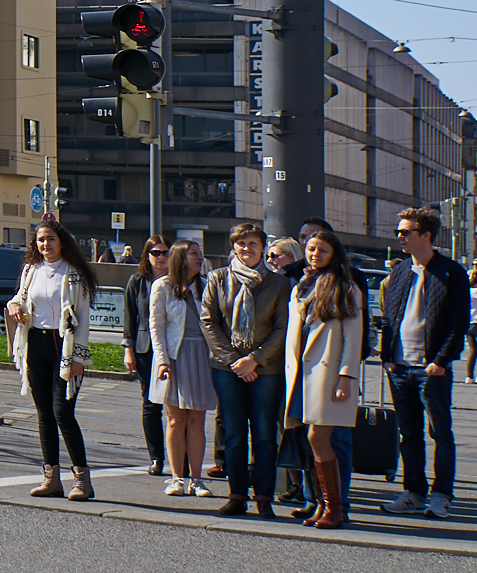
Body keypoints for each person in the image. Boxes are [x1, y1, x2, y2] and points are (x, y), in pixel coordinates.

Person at [379, 205, 471, 519]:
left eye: (405, 232)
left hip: (432, 370)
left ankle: (442, 494)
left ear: (426, 235)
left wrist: (441, 361)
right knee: (409, 433)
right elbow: (389, 318)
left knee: (440, 433)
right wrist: (387, 357)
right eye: (399, 232)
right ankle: (413, 492)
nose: (400, 237)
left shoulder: (451, 272)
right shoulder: (401, 270)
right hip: (400, 367)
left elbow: (458, 322)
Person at [201, 221, 291, 518]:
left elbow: (282, 328)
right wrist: (234, 361)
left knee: (265, 433)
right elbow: (209, 322)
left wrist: (255, 359)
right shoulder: (218, 278)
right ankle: (237, 494)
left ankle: (264, 496)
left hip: (266, 368)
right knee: (235, 433)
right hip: (227, 369)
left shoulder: (278, 283)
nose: (246, 248)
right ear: (233, 247)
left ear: (263, 248)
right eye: (241, 243)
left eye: (253, 243)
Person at [6, 218, 98, 502]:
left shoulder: (74, 274)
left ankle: (82, 479)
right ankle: (51, 477)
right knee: (44, 413)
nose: (45, 245)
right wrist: (14, 307)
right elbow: (19, 298)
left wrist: (78, 357)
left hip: (64, 345)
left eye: (50, 239)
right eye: (41, 240)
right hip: (36, 342)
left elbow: (82, 320)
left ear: (62, 243)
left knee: (62, 412)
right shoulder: (31, 270)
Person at [284, 228, 364, 529]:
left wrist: (347, 376)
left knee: (319, 438)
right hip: (301, 372)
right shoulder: (300, 286)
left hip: (329, 373)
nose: (315, 253)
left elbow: (353, 337)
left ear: (334, 255)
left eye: (322, 250)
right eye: (312, 248)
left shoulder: (345, 287)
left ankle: (334, 507)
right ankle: (323, 505)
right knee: (311, 438)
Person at [150, 239, 217, 499]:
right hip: (174, 355)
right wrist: (162, 360)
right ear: (180, 257)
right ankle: (177, 477)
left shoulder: (207, 286)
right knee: (176, 420)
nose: (199, 258)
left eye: (200, 254)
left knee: (197, 420)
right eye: (194, 254)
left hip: (201, 354)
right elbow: (157, 326)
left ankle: (197, 480)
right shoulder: (163, 286)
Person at [122, 235, 171, 475]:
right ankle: (156, 458)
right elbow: (130, 318)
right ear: (147, 256)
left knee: (176, 407)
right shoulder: (137, 281)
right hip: (145, 349)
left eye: (165, 252)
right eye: (156, 253)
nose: (161, 257)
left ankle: (179, 457)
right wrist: (128, 349)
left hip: (173, 348)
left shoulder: (179, 281)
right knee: (151, 405)